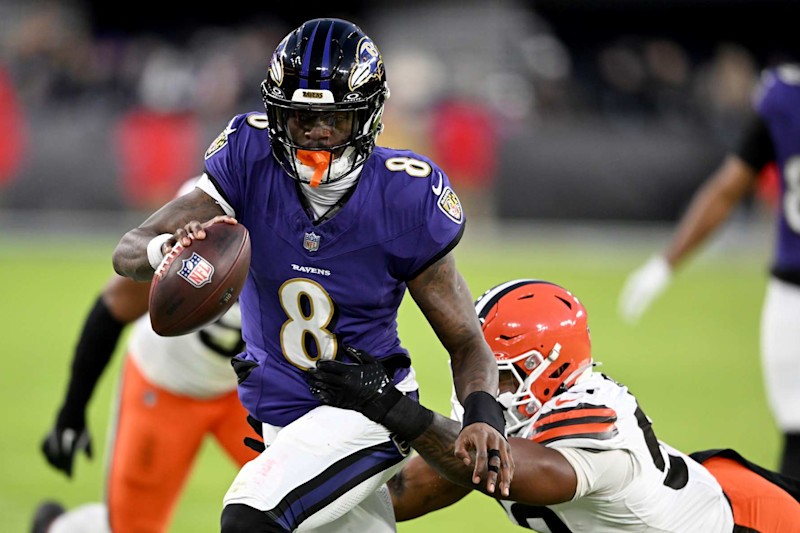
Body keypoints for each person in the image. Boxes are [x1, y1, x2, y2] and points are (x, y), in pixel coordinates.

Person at [110, 18, 511, 533]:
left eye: (335, 120)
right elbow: (129, 249)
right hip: (278, 412)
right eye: (301, 118)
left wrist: (482, 414)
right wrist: (170, 250)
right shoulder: (249, 157)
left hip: (364, 407)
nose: (317, 133)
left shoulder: (405, 197)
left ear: (367, 117)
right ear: (277, 115)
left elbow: (465, 340)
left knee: (250, 516)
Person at [308, 279, 800, 532]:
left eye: (499, 368)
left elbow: (498, 469)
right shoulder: (502, 415)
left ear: (551, 367)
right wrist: (308, 468)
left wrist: (390, 407)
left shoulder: (593, 419)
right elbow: (402, 494)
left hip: (751, 522)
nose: (481, 382)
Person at [618, 63, 800, 478]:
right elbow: (729, 187)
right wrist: (664, 265)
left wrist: (664, 266)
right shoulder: (783, 96)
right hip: (792, 291)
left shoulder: (784, 94)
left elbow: (728, 188)